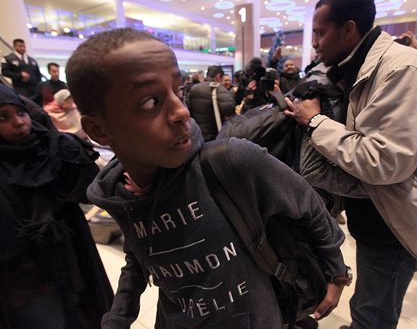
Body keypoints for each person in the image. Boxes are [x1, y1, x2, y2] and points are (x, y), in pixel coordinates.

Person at [65, 27, 350, 329]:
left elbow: (308, 205)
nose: (181, 112)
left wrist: (337, 272)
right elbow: (140, 254)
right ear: (99, 131)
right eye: (150, 102)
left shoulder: (232, 161)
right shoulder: (119, 195)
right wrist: (118, 318)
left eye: (180, 91)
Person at [285, 0, 417, 329]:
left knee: (372, 312)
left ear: (348, 29)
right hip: (381, 208)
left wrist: (315, 122)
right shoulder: (363, 67)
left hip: (398, 217)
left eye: (320, 33)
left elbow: (385, 161)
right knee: (369, 304)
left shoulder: (403, 70)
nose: (315, 42)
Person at [0, 83, 113, 328]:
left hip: (70, 260)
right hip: (25, 281)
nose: (19, 122)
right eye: (3, 117)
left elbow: (91, 188)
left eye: (20, 112)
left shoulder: (48, 148)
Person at [186, 65, 235, 142]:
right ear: (218, 76)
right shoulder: (218, 88)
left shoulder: (194, 88)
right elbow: (229, 109)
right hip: (214, 134)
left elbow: (188, 107)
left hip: (196, 133)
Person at [1, 39, 43, 105]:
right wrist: (20, 75)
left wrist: (39, 87)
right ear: (14, 47)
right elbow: (5, 72)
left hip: (34, 90)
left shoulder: (31, 60)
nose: (22, 48)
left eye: (24, 46)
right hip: (20, 89)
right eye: (20, 46)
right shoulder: (8, 58)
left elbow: (38, 74)